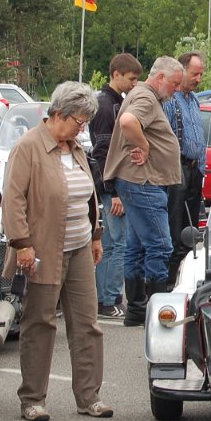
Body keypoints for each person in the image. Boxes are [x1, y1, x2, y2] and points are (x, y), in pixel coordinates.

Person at [3, 81, 112, 421]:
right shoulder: (29, 147)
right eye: (79, 122)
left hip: (79, 245)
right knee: (40, 323)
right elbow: (14, 199)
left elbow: (88, 196)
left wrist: (95, 236)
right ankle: (32, 399)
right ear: (59, 115)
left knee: (87, 324)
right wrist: (22, 243)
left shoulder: (75, 148)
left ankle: (89, 396)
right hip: (42, 249)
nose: (82, 130)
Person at [104, 56, 183, 327]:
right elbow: (127, 121)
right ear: (160, 78)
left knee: (136, 247)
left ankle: (137, 310)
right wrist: (145, 146)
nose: (175, 90)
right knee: (161, 246)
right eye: (174, 84)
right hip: (143, 183)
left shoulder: (143, 95)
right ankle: (158, 313)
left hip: (138, 182)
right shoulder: (147, 98)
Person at [90, 53, 142, 319]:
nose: (134, 84)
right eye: (131, 79)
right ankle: (108, 299)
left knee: (110, 244)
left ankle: (104, 298)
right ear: (116, 74)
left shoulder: (116, 103)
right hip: (112, 187)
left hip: (114, 184)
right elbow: (103, 152)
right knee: (116, 244)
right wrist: (112, 191)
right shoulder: (104, 105)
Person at [163, 51, 206, 286]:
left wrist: (201, 168)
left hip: (194, 170)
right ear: (181, 71)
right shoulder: (170, 101)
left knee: (191, 228)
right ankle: (170, 278)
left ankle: (186, 273)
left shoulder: (194, 100)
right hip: (176, 167)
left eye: (201, 74)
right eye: (194, 73)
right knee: (175, 224)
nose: (198, 78)